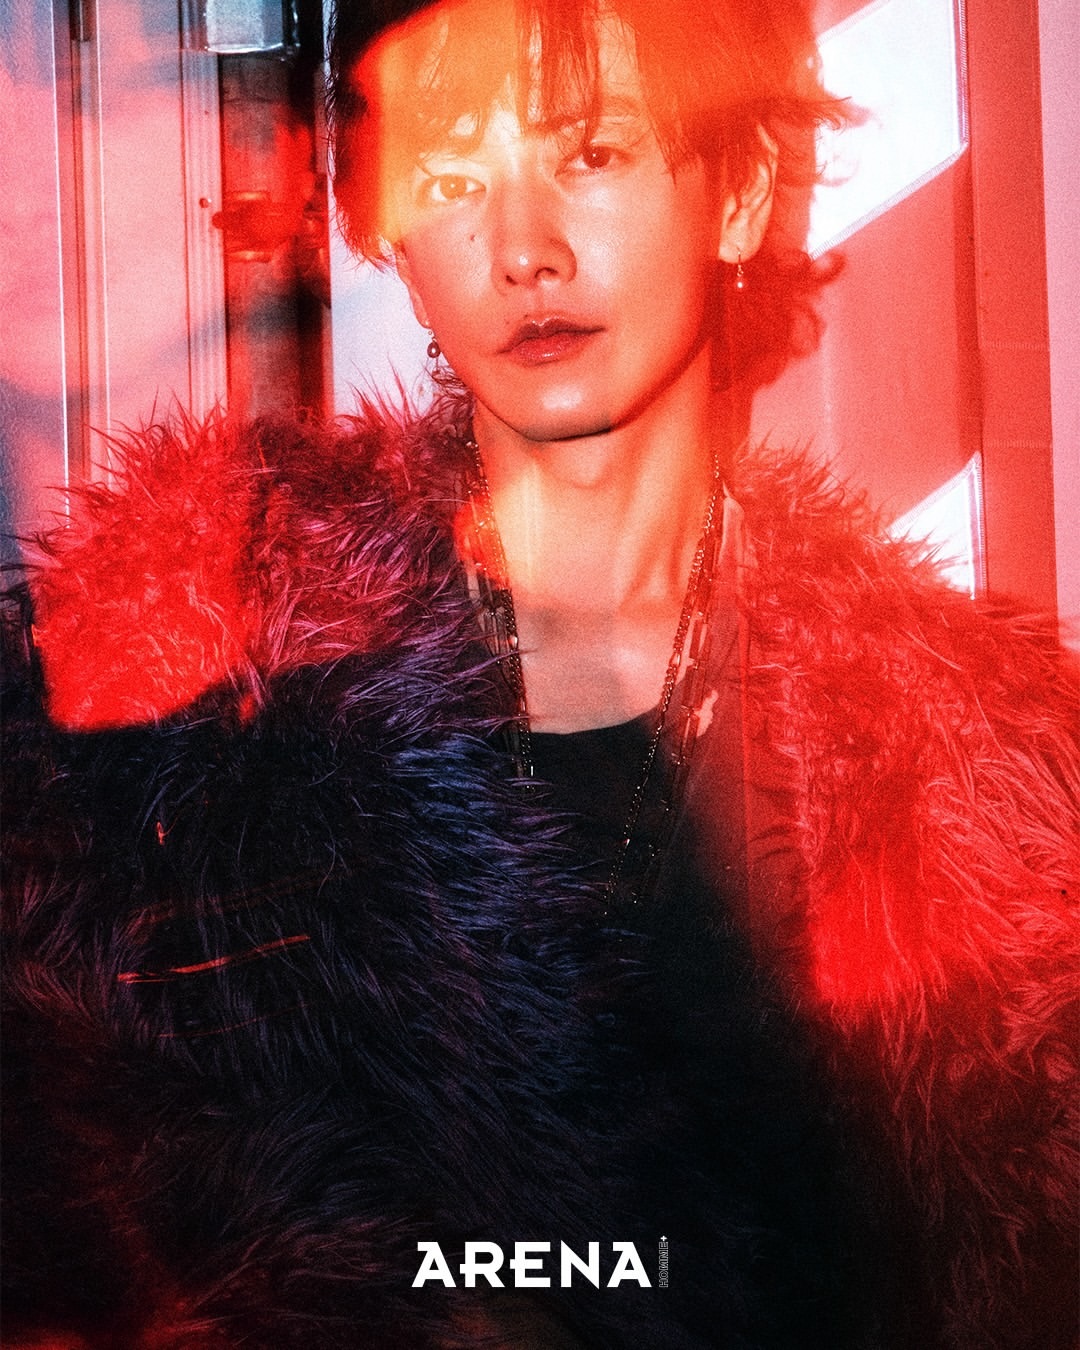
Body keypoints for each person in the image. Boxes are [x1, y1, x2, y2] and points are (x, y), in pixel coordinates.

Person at [3, 0, 1076, 1347]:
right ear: (388, 234)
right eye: (453, 178)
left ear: (742, 192)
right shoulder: (169, 708)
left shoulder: (979, 777)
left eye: (593, 154)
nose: (523, 250)